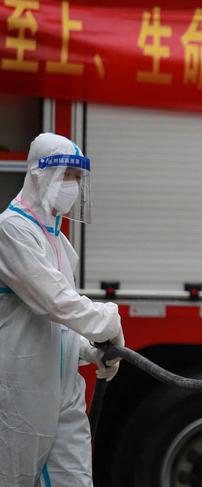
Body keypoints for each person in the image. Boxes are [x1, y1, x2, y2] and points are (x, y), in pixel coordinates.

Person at [0, 133, 125, 487]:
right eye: (65, 175)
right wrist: (106, 319)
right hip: (19, 392)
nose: (71, 185)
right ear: (39, 176)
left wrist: (87, 350)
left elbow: (59, 323)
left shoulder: (58, 240)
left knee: (74, 480)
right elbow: (53, 301)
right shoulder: (11, 230)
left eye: (76, 177)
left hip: (64, 392)